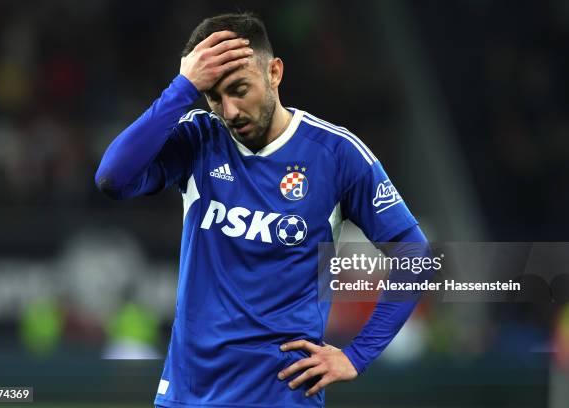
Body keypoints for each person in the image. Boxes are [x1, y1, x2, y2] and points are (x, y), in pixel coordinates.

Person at [96, 12, 431, 408]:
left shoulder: (336, 154)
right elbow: (112, 178)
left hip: (281, 397)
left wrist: (356, 355)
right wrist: (182, 89)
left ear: (274, 72)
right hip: (190, 396)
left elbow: (415, 253)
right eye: (214, 96)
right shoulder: (199, 139)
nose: (230, 110)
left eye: (239, 89)